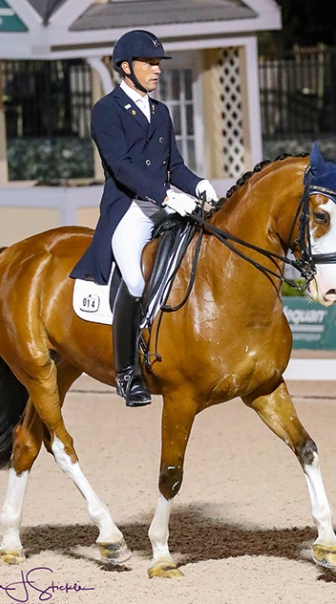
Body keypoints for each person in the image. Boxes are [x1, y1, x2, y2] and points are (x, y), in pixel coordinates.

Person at [70, 30, 218, 407]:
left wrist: (199, 185)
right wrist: (168, 195)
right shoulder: (107, 110)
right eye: (149, 63)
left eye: (157, 64)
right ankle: (126, 373)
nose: (156, 70)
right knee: (136, 280)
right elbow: (120, 167)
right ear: (126, 67)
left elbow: (176, 167)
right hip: (128, 209)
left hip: (164, 204)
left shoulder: (161, 112)